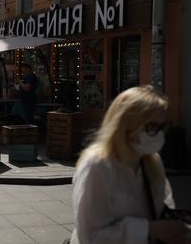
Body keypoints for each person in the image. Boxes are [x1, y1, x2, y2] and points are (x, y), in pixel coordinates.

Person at [70, 85, 190, 244]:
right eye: (152, 127)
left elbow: (162, 207)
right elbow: (90, 236)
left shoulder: (152, 161)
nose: (160, 134)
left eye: (163, 126)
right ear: (125, 127)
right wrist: (149, 230)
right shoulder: (97, 167)